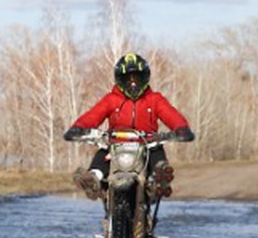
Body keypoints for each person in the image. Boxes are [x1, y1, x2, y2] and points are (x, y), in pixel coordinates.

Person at [63, 52, 195, 202]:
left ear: (145, 78)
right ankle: (93, 178)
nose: (133, 83)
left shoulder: (154, 99)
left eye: (137, 78)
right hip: (116, 143)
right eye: (128, 79)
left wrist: (181, 128)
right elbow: (93, 115)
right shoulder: (111, 100)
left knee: (156, 150)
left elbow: (171, 114)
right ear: (120, 80)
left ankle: (158, 179)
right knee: (103, 152)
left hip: (147, 143)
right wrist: (79, 127)